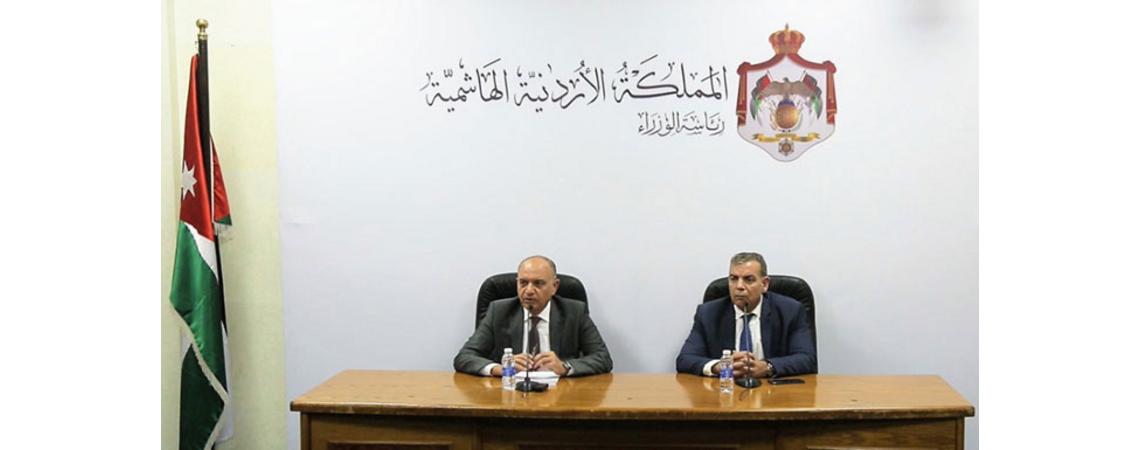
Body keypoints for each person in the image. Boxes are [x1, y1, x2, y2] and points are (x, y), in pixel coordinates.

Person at [454, 255, 613, 377]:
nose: (529, 290)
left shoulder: (574, 312)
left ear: (554, 286)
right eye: (523, 283)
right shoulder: (499, 311)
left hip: (560, 395)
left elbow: (603, 358)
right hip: (511, 395)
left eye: (538, 283)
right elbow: (465, 357)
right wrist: (501, 369)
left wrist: (564, 367)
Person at [676, 252, 816, 378]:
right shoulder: (708, 313)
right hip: (725, 392)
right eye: (733, 279)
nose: (739, 286)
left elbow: (807, 359)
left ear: (764, 284)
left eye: (748, 279)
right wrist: (720, 366)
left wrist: (767, 367)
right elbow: (685, 359)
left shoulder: (790, 311)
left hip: (773, 392)